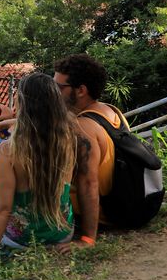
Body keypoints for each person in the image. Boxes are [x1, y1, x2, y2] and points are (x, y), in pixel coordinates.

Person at [0, 72, 85, 272]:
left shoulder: (8, 150)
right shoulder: (68, 136)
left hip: (21, 240)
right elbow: (42, 129)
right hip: (61, 235)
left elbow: (2, 209)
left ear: (22, 105)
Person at [52, 54, 126, 247]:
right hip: (119, 203)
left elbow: (88, 183)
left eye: (59, 87)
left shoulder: (82, 128)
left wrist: (87, 238)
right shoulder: (109, 111)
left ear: (81, 90)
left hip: (101, 215)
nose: (54, 92)